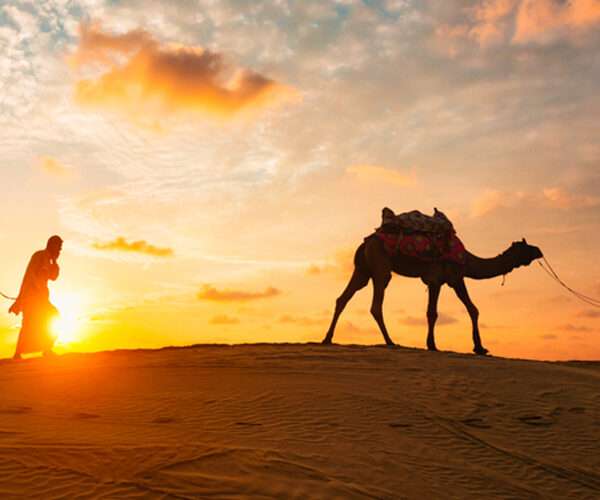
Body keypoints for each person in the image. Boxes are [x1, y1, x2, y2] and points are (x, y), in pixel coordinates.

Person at [9, 236, 63, 360]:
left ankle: (46, 348)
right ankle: (18, 354)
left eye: (60, 248)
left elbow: (53, 277)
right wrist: (21, 298)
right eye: (58, 247)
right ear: (51, 245)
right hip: (32, 297)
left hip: (41, 298)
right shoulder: (39, 256)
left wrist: (54, 261)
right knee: (29, 323)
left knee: (50, 317)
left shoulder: (49, 260)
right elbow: (29, 275)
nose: (60, 250)